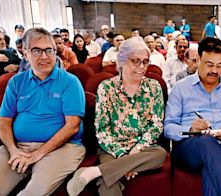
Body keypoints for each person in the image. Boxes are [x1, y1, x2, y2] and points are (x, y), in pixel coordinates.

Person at [0, 27, 86, 195]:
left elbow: (72, 126)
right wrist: (13, 150)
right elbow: (3, 121)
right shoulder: (16, 82)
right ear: (26, 53)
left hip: (62, 147)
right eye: (37, 50)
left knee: (33, 192)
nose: (44, 56)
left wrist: (37, 154)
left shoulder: (70, 82)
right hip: (19, 146)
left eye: (49, 50)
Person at [66, 37, 166, 196]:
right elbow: (102, 129)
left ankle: (95, 172)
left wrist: (137, 149)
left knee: (160, 155)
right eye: (136, 61)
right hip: (112, 147)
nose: (142, 67)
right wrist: (122, 155)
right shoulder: (106, 87)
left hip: (144, 148)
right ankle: (111, 170)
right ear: (122, 60)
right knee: (108, 184)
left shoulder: (153, 87)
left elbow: (156, 125)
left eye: (145, 62)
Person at [164, 37, 221, 196]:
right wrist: (190, 129)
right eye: (209, 65)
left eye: (220, 66)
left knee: (212, 169)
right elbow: (168, 127)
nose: (214, 71)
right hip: (188, 148)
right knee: (206, 141)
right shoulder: (181, 88)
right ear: (198, 60)